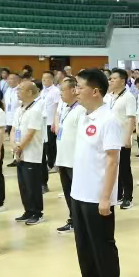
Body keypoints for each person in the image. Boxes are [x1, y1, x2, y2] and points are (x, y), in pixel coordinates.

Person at [65, 69, 123, 277]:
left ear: (95, 91)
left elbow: (112, 161)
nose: (75, 90)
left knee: (102, 244)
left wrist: (105, 197)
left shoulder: (108, 120)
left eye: (79, 86)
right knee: (84, 243)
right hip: (79, 191)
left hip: (98, 194)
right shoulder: (83, 115)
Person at [52, 76, 84, 234]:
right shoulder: (66, 108)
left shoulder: (81, 110)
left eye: (62, 91)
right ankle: (72, 219)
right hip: (63, 158)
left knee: (76, 194)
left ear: (73, 90)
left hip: (74, 161)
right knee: (67, 192)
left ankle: (78, 221)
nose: (60, 94)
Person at [15, 80, 48, 225]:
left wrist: (20, 147)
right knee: (23, 185)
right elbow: (13, 130)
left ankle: (37, 212)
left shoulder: (36, 110)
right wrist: (15, 147)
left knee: (32, 185)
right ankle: (28, 210)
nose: (17, 91)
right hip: (19, 152)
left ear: (29, 92)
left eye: (20, 89)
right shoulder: (19, 109)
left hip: (31, 153)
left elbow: (31, 132)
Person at [106, 68, 138, 209]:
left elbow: (131, 119)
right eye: (110, 78)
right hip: (110, 137)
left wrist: (128, 137)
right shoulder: (108, 96)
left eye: (114, 78)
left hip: (122, 137)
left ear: (123, 81)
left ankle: (128, 197)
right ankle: (117, 194)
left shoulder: (128, 97)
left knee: (124, 168)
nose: (111, 80)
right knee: (113, 167)